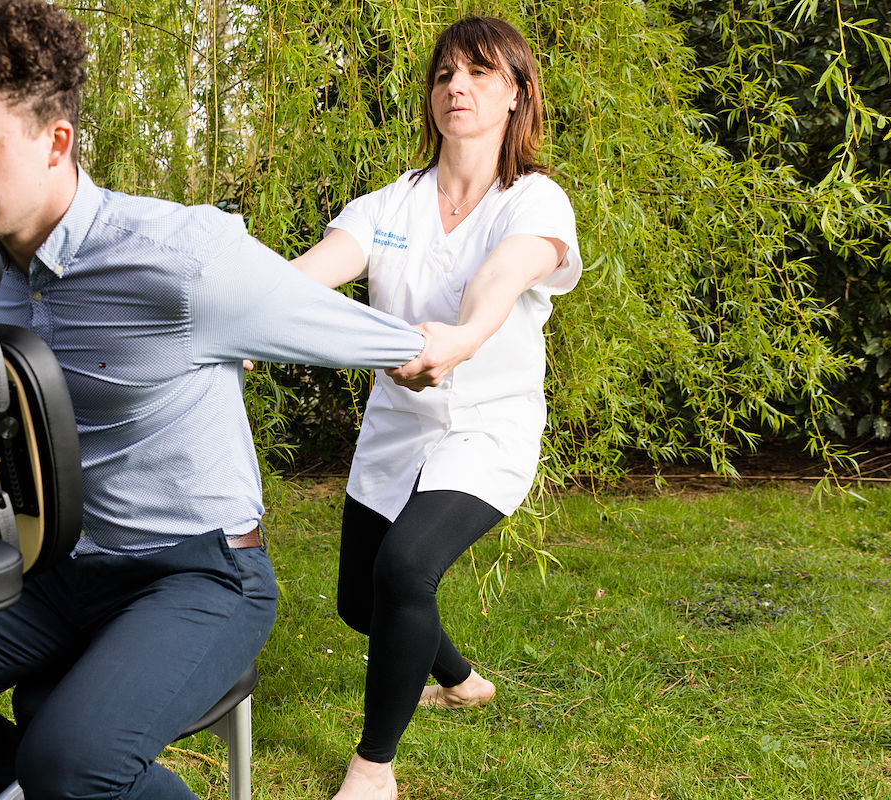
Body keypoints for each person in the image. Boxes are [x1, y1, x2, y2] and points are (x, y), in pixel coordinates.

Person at [0, 2, 431, 799]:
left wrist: (425, 351)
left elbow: (376, 336)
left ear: (57, 142)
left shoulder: (185, 259)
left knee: (72, 767)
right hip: (51, 570)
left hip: (197, 574)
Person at [288, 16, 582, 800]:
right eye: (446, 73)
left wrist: (458, 339)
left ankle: (372, 768)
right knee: (363, 602)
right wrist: (251, 316)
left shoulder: (536, 200)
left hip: (488, 422)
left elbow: (502, 279)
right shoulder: (390, 203)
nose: (458, 87)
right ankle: (460, 679)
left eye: (480, 74)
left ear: (516, 94)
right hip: (397, 424)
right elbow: (315, 273)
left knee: (407, 567)